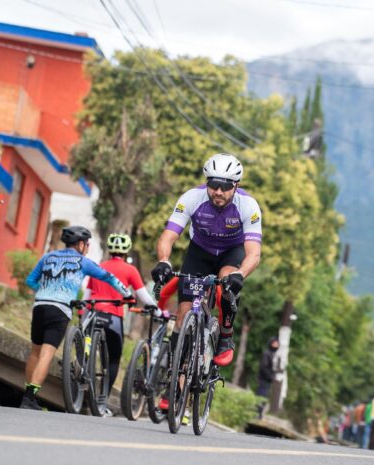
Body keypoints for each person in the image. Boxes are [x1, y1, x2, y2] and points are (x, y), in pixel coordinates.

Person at [150, 153, 262, 369]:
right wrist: (164, 260)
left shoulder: (248, 206)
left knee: (227, 281)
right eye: (213, 184)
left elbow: (254, 252)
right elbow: (169, 235)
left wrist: (241, 274)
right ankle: (174, 380)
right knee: (182, 315)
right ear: (206, 182)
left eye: (225, 186)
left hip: (232, 252)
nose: (218, 191)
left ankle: (225, 334)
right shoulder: (191, 198)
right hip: (199, 251)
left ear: (236, 185)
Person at [19, 226, 133, 410]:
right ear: (80, 244)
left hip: (40, 306)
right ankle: (30, 396)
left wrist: (47, 291)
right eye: (87, 244)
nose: (87, 247)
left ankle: (28, 395)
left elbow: (30, 281)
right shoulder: (83, 262)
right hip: (60, 310)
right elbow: (109, 277)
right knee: (47, 353)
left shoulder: (47, 257)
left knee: (35, 352)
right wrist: (127, 295)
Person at [85, 233, 161, 416]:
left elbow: (87, 298)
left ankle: (81, 377)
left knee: (88, 352)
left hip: (93, 315)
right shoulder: (130, 270)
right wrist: (159, 312)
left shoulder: (98, 267)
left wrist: (82, 319)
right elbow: (143, 296)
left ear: (110, 250)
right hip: (113, 319)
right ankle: (102, 400)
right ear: (126, 250)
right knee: (113, 359)